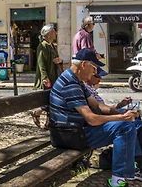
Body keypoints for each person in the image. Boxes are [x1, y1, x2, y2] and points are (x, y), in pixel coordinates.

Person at [50, 49, 141, 187]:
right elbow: (91, 118)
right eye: (94, 67)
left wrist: (122, 111)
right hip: (70, 135)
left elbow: (98, 106)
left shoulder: (77, 80)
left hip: (77, 130)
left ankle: (133, 167)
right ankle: (119, 181)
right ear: (84, 64)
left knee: (134, 122)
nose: (95, 72)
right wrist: (121, 117)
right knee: (125, 127)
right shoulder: (70, 84)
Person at [31, 24, 63, 127]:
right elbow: (41, 63)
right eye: (54, 31)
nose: (56, 33)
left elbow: (56, 58)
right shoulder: (42, 45)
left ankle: (49, 122)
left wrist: (58, 61)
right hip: (49, 77)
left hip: (55, 76)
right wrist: (44, 77)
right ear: (48, 34)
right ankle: (37, 112)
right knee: (49, 99)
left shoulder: (52, 45)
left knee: (54, 99)